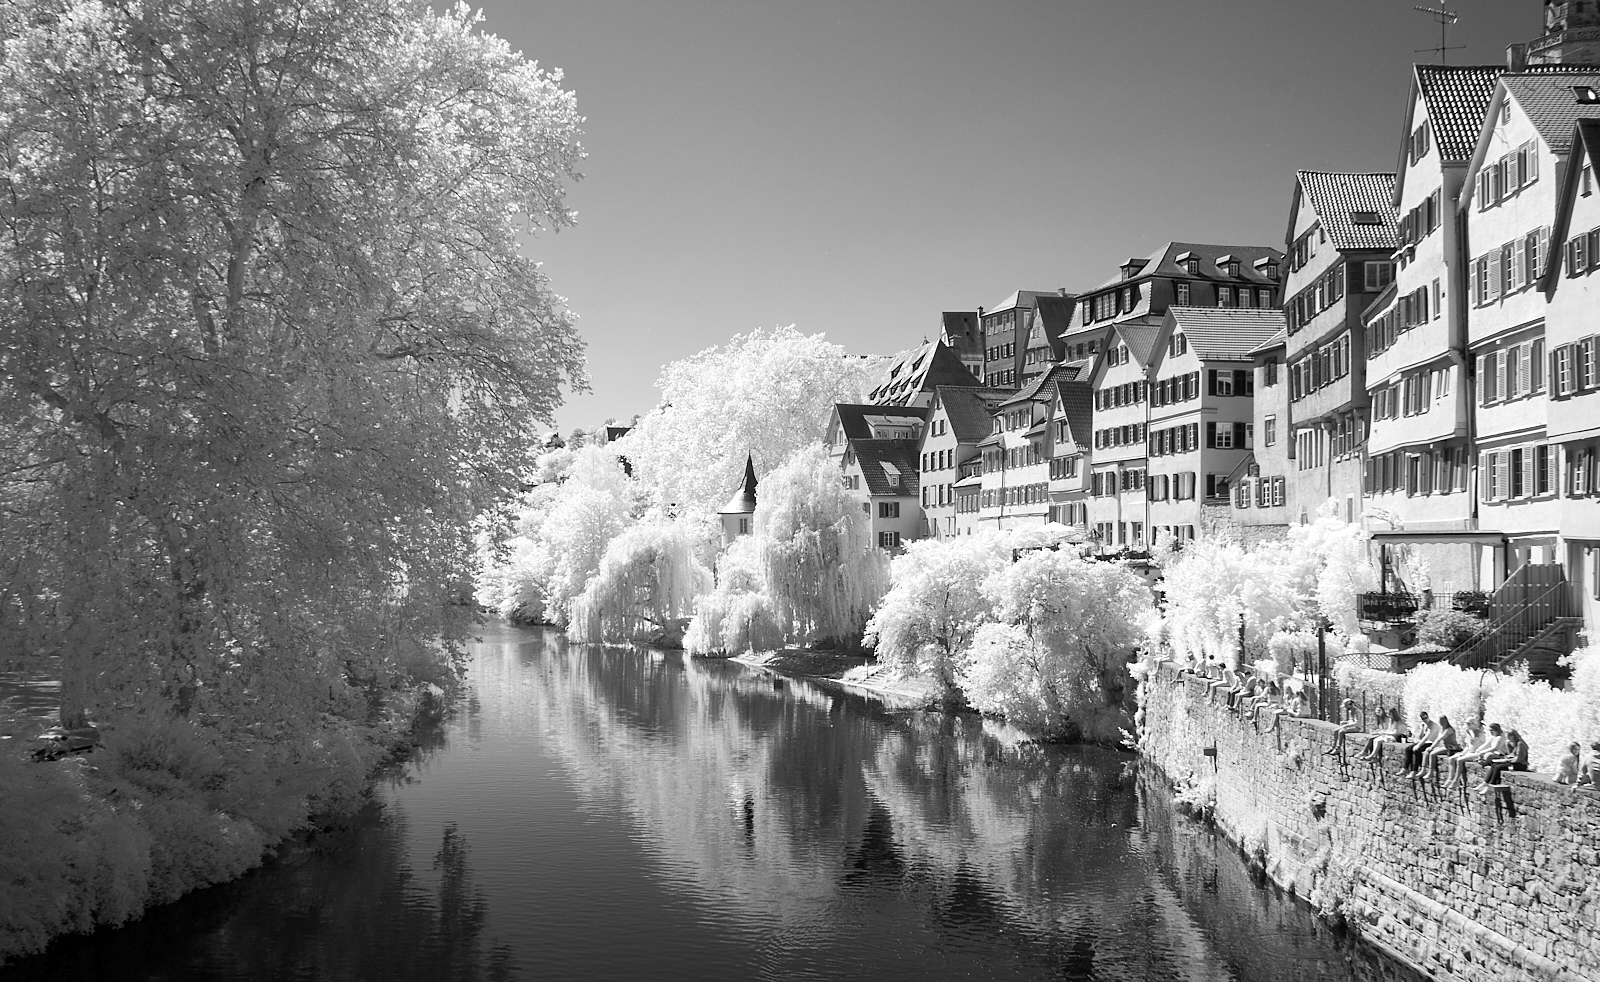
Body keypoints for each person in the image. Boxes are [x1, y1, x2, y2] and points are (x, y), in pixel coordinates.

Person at [1442, 721, 1489, 789]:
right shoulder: (1470, 732)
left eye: (1469, 723)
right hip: (1469, 752)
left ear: (1474, 724)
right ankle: (1450, 778)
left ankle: (1456, 781)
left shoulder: (1480, 733)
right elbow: (1467, 746)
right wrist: (1463, 753)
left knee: (1459, 760)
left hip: (1476, 753)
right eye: (1467, 724)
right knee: (1451, 759)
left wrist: (1469, 734)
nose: (1467, 725)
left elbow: (1474, 743)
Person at [1417, 715, 1461, 780]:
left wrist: (1432, 747)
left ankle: (1431, 772)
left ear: (1444, 721)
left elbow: (1439, 739)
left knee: (1432, 754)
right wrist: (1431, 747)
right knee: (1426, 751)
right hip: (1446, 747)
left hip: (1452, 748)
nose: (1439, 722)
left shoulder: (1449, 729)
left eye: (1441, 721)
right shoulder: (1442, 729)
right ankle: (1423, 770)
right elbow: (1438, 739)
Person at [1397, 711, 1439, 776]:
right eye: (1423, 719)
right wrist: (1422, 728)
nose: (1425, 720)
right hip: (1425, 742)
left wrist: (1418, 745)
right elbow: (1421, 737)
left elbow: (1427, 737)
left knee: (1417, 750)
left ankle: (1414, 770)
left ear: (1428, 716)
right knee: (1408, 749)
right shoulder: (1425, 725)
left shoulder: (1433, 725)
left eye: (1426, 718)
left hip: (1432, 743)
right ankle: (1405, 768)